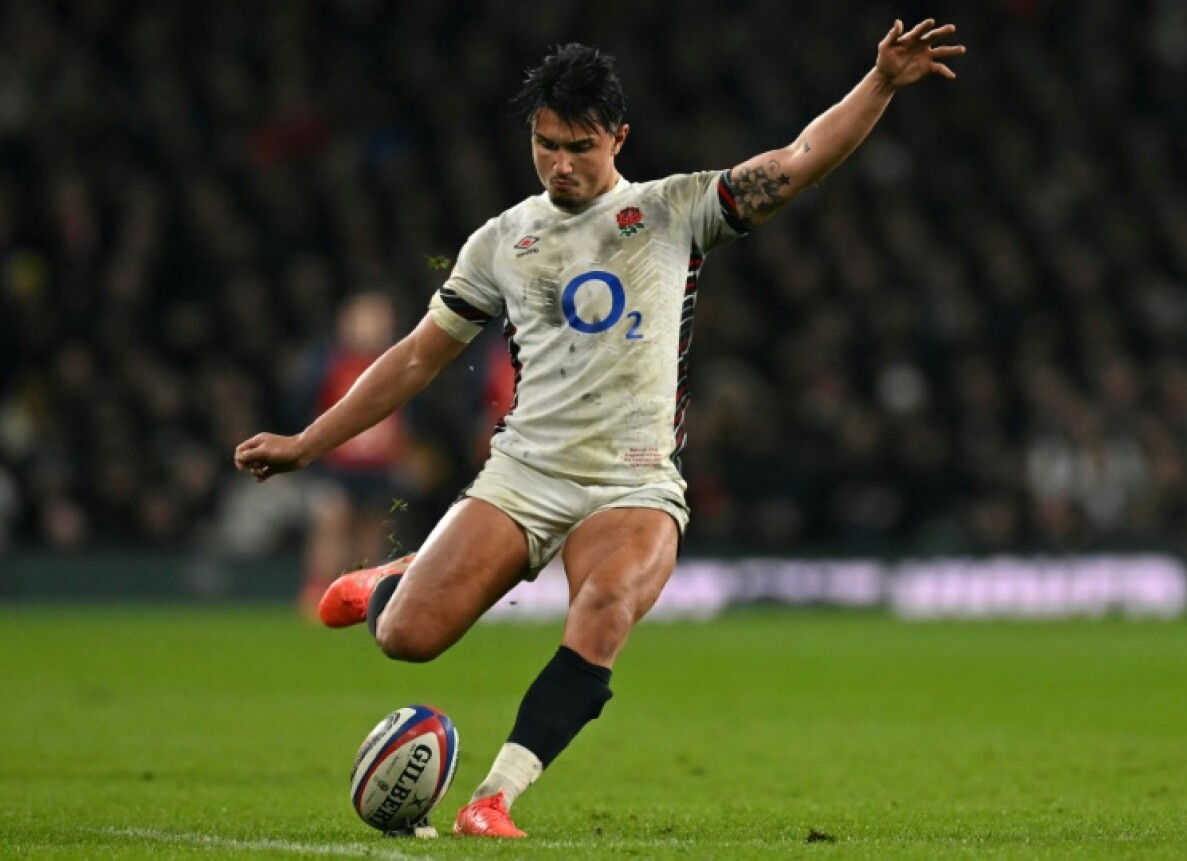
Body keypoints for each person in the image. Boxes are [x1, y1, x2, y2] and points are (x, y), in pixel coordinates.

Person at [234, 19, 964, 839]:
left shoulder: (673, 209)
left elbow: (798, 162)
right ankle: (391, 583)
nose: (560, 164)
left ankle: (493, 798)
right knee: (407, 639)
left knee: (607, 603)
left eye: (579, 146)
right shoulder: (502, 241)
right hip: (526, 473)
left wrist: (880, 84)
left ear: (619, 137)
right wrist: (307, 442)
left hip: (634, 479)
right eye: (545, 144)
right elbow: (411, 360)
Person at [292, 292, 418, 617]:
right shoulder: (326, 362)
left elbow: (410, 415)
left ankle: (361, 596)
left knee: (372, 530)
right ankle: (317, 592)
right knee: (332, 521)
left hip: (380, 465)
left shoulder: (399, 362)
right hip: (336, 464)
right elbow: (303, 407)